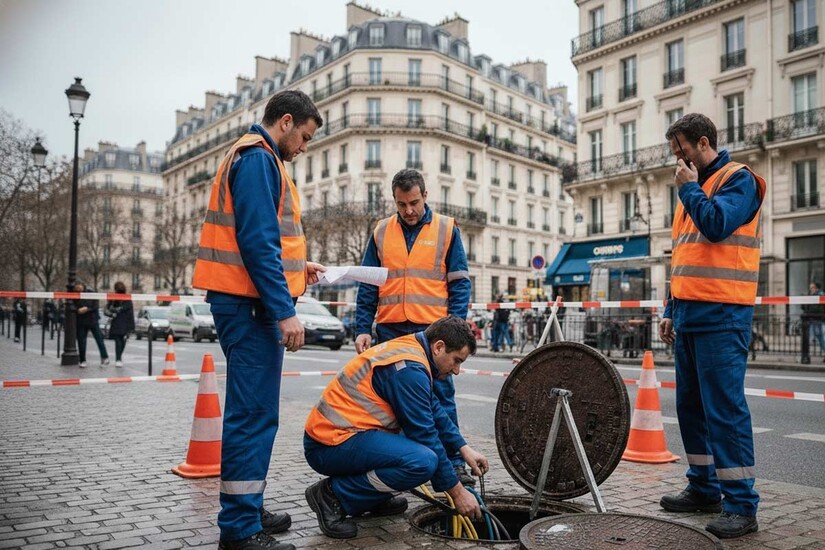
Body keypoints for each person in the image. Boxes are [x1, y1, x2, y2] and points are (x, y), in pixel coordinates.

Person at [191, 89, 325, 550]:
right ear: (285, 122)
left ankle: (248, 506)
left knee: (257, 414)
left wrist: (298, 268)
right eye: (304, 137)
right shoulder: (257, 159)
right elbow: (257, 242)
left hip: (246, 301)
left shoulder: (258, 158)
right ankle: (240, 528)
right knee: (252, 416)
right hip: (249, 306)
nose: (303, 147)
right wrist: (285, 311)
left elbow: (265, 242)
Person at [658, 113, 765, 539]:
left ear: (704, 143)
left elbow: (717, 226)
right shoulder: (693, 188)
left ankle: (741, 505)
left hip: (723, 314)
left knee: (724, 410)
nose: (678, 160)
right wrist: (670, 308)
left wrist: (688, 188)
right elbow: (684, 255)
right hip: (689, 315)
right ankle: (704, 488)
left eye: (682, 151)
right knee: (691, 408)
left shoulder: (739, 180)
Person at [303, 316, 488, 539]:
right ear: (439, 347)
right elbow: (425, 435)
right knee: (422, 462)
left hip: (345, 436)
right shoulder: (409, 369)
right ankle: (332, 496)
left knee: (414, 453)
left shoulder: (413, 350)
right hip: (329, 444)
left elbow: (433, 408)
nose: (457, 370)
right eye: (457, 360)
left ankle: (371, 498)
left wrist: (463, 448)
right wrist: (457, 493)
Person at [353, 168, 473, 485]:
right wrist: (362, 327)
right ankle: (405, 461)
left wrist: (454, 329)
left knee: (440, 396)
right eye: (402, 204)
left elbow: (460, 284)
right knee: (390, 399)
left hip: (432, 332)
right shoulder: (381, 231)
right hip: (391, 330)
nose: (408, 210)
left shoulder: (446, 229)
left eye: (414, 203)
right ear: (394, 200)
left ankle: (454, 463)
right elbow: (368, 285)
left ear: (425, 196)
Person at [75, 282, 109, 368]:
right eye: (77, 288)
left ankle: (104, 357)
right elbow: (71, 307)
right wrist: (78, 310)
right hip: (82, 320)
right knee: (81, 341)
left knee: (99, 339)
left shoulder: (91, 293)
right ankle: (82, 360)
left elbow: (95, 306)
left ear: (83, 286)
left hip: (92, 320)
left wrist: (87, 309)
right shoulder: (74, 295)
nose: (78, 289)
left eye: (79, 287)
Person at [105, 282, 134, 367]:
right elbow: (107, 309)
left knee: (121, 340)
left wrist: (113, 310)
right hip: (120, 320)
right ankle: (118, 358)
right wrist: (112, 311)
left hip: (123, 321)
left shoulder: (127, 299)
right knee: (119, 340)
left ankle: (118, 358)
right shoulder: (115, 298)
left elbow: (124, 309)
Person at [803, 281, 825, 361]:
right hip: (815, 319)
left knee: (819, 337)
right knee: (817, 337)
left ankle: (805, 356)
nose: (810, 289)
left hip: (817, 319)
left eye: (812, 287)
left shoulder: (819, 295)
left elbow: (815, 308)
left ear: (816, 288)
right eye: (810, 288)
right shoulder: (814, 295)